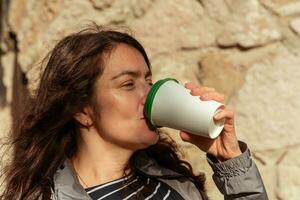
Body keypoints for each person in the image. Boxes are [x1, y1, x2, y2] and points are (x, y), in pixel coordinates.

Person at [0, 25, 268, 200]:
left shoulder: (175, 186)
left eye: (148, 82)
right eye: (128, 85)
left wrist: (230, 161)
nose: (148, 95)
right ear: (82, 110)